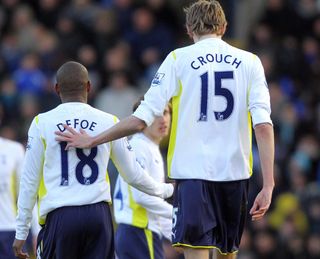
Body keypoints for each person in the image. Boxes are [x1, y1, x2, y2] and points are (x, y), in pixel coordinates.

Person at [55, 1, 275, 259]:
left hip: (193, 178)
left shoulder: (178, 59)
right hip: (235, 176)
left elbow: (140, 120)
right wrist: (268, 183)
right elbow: (263, 125)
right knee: (227, 254)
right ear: (224, 27)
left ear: (188, 29)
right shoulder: (250, 62)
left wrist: (93, 140)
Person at [12, 61, 173, 259]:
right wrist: (167, 189)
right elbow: (133, 175)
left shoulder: (41, 123)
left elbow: (29, 181)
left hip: (61, 216)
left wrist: (22, 230)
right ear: (89, 86)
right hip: (98, 216)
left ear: (56, 89)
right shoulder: (110, 121)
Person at [113, 98, 173, 259]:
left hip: (134, 233)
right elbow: (142, 197)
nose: (162, 119)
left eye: (166, 113)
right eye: (155, 114)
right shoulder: (140, 148)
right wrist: (177, 214)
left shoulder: (146, 147)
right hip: (139, 231)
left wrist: (174, 235)